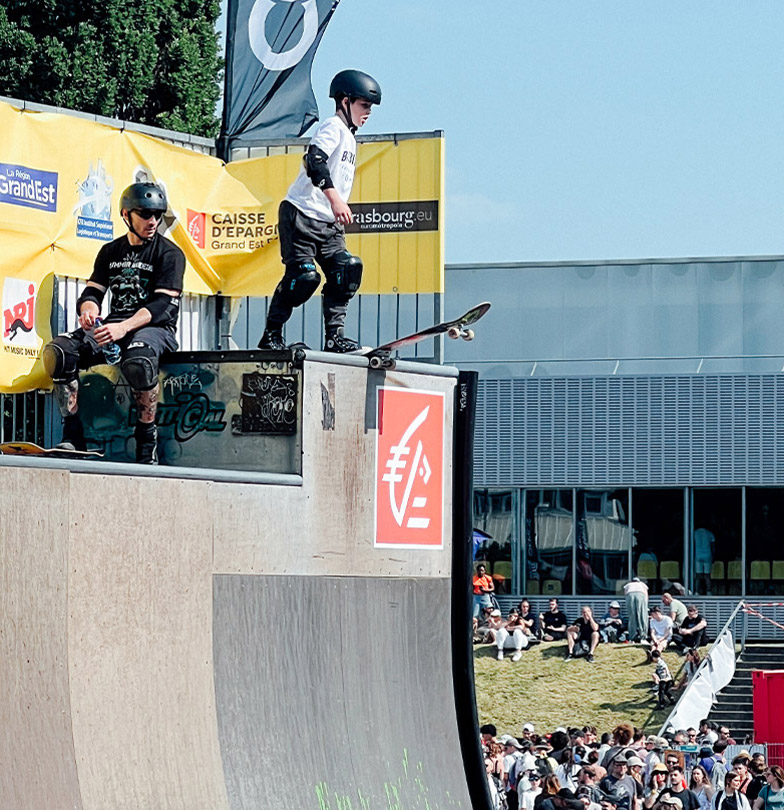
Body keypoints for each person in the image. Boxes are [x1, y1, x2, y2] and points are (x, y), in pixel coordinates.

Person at [43, 182, 183, 464]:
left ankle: (146, 442)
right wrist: (89, 311)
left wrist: (123, 327)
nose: (152, 221)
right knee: (59, 353)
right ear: (125, 215)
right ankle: (73, 437)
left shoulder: (170, 254)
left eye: (157, 215)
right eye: (144, 214)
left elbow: (161, 306)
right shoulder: (110, 252)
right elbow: (93, 291)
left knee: (139, 363)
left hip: (156, 329)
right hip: (115, 325)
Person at [258, 70, 381, 353]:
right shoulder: (333, 127)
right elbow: (314, 160)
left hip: (328, 225)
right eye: (364, 106)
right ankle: (271, 335)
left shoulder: (350, 138)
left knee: (346, 270)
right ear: (345, 101)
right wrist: (335, 198)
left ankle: (334, 338)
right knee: (303, 278)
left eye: (370, 108)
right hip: (300, 214)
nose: (368, 113)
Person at [624, 577, 649, 643]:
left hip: (630, 595)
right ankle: (643, 637)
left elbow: (626, 594)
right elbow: (646, 595)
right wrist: (645, 606)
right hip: (641, 594)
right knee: (642, 616)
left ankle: (632, 638)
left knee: (632, 617)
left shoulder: (628, 585)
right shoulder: (642, 584)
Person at [693, 527, 716, 595]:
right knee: (707, 575)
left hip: (698, 555)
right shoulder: (709, 533)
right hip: (707, 555)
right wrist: (713, 556)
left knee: (698, 575)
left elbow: (692, 544)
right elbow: (713, 546)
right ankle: (708, 591)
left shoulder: (695, 533)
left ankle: (697, 591)